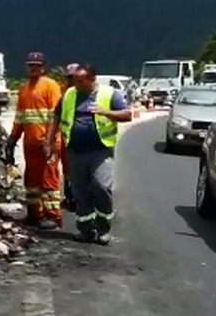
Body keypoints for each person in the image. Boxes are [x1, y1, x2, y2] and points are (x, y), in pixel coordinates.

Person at [47, 64, 133, 245]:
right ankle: (85, 230)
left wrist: (106, 112)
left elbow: (127, 115)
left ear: (92, 79)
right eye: (74, 81)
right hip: (75, 151)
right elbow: (56, 117)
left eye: (80, 81)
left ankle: (103, 228)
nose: (76, 85)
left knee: (101, 186)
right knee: (80, 191)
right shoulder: (69, 95)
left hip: (100, 151)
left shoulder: (109, 94)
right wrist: (49, 142)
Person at [8, 52, 63, 229]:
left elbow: (56, 116)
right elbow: (20, 118)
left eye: (36, 65)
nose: (33, 68)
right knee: (31, 181)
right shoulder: (24, 89)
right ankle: (34, 214)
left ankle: (52, 216)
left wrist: (50, 140)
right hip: (30, 143)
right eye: (30, 65)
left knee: (49, 181)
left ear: (42, 68)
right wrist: (12, 139)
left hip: (47, 143)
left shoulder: (50, 86)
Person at [58, 63, 80, 211]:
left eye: (74, 77)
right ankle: (70, 195)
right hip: (66, 138)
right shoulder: (63, 93)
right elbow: (55, 115)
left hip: (82, 138)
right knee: (67, 168)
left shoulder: (85, 92)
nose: (71, 80)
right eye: (69, 77)